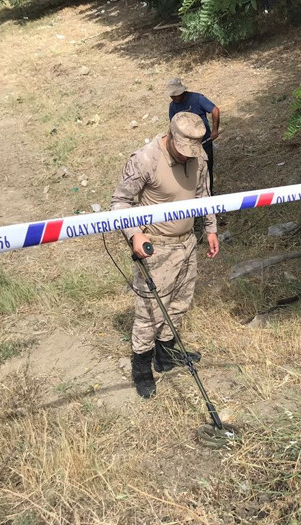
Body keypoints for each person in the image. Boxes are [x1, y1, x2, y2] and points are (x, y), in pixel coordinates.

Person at [111, 112, 220, 398]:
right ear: (170, 136)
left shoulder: (199, 158)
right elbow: (120, 202)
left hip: (188, 242)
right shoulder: (145, 159)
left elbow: (203, 194)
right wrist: (135, 234)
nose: (187, 157)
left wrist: (210, 229)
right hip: (157, 246)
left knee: (180, 302)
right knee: (150, 311)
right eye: (183, 151)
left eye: (192, 152)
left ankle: (166, 354)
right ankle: (142, 367)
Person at [167, 77, 220, 195]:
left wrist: (215, 130)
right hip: (186, 147)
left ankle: (209, 194)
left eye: (176, 95)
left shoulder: (197, 99)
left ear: (182, 91)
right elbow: (173, 126)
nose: (174, 98)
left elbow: (215, 110)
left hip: (204, 143)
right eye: (172, 96)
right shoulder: (173, 106)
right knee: (190, 172)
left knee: (206, 170)